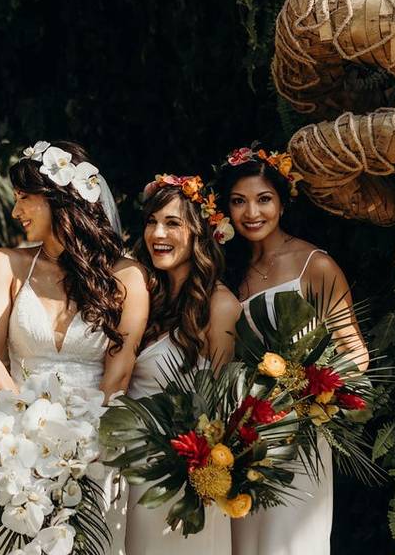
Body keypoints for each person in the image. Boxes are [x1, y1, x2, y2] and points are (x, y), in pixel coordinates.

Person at [0, 140, 149, 555]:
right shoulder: (6, 263)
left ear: (61, 201)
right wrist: (24, 430)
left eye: (24, 199)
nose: (15, 211)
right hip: (20, 449)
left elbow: (120, 368)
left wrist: (84, 443)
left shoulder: (127, 276)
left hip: (96, 446)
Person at [214, 147, 369, 555]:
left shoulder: (313, 264)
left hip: (298, 434)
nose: (252, 212)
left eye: (263, 199)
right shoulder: (230, 275)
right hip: (244, 438)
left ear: (282, 202)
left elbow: (355, 351)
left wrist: (306, 392)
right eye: (239, 201)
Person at [125, 173, 240, 554]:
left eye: (173, 223)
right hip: (130, 471)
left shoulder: (219, 306)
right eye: (152, 222)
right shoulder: (141, 295)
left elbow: (223, 413)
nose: (158, 233)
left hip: (183, 481)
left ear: (200, 233)